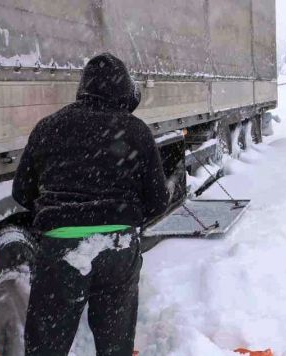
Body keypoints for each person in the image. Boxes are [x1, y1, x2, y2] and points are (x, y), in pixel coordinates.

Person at [13, 53, 171, 355]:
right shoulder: (136, 131)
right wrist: (124, 218)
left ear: (83, 87)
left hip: (61, 248)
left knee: (46, 347)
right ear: (125, 91)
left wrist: (60, 215)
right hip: (118, 246)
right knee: (115, 345)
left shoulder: (48, 127)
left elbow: (22, 192)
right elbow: (158, 201)